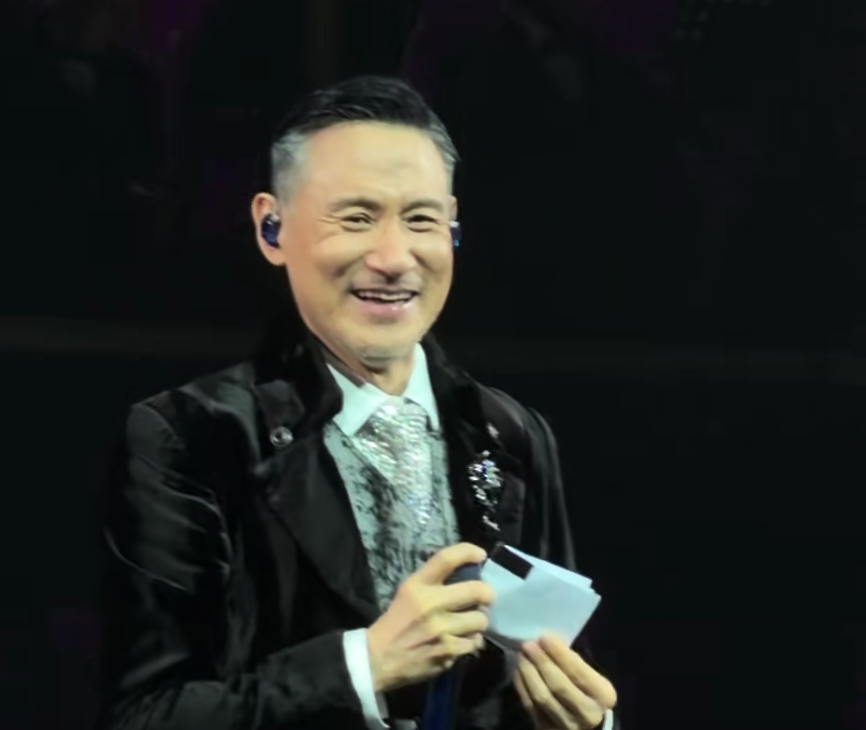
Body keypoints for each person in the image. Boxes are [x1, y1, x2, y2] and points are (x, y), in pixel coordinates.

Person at [97, 75, 619, 730]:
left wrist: (590, 723)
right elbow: (146, 716)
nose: (394, 258)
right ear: (271, 228)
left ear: (453, 228)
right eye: (357, 218)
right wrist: (363, 669)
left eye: (421, 219)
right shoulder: (192, 438)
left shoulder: (511, 433)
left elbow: (558, 674)